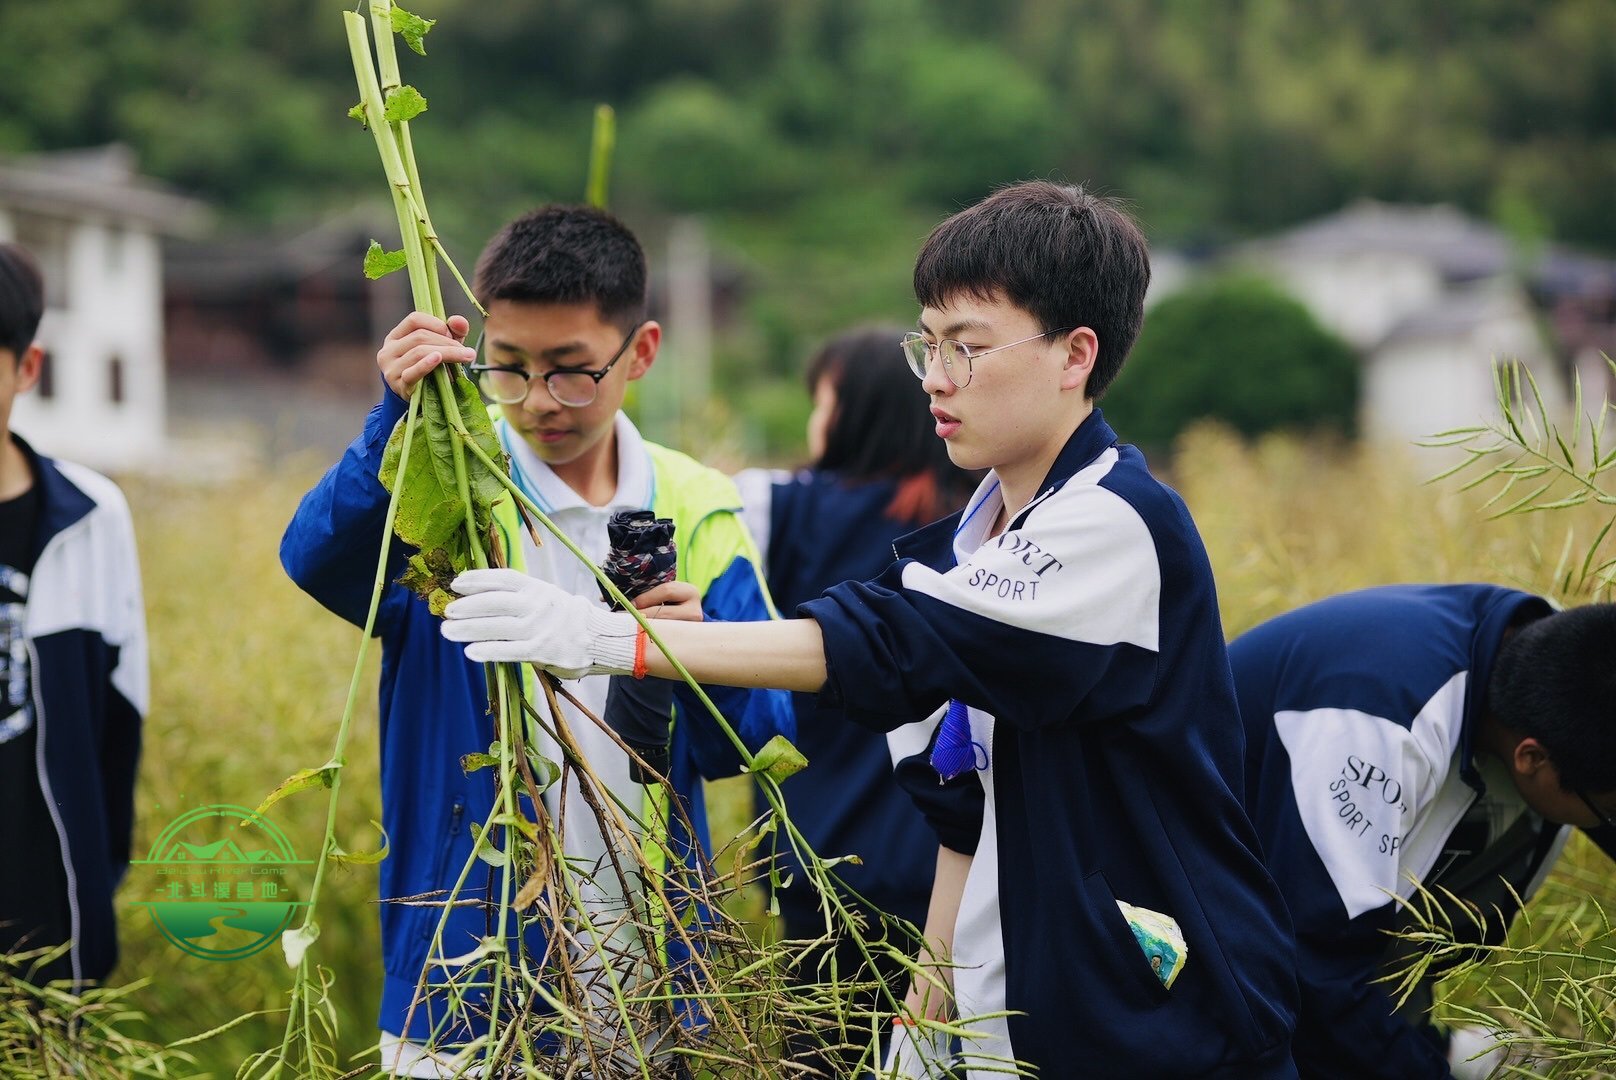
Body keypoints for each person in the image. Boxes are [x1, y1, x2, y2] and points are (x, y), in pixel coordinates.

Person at [439, 180, 1301, 1078]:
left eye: (966, 348)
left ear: (1074, 354)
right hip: (1020, 1019)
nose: (933, 377)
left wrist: (616, 642)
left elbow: (886, 640)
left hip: (1157, 1021)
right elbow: (963, 810)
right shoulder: (980, 532)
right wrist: (925, 1018)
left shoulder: (1112, 522)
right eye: (927, 344)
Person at [279, 205, 793, 1073]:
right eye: (508, 370)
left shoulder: (699, 501)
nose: (538, 402)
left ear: (642, 352)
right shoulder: (450, 485)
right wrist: (393, 420)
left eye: (571, 372)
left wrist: (694, 655)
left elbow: (756, 734)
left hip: (643, 984)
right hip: (463, 981)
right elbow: (315, 559)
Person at [1228, 585, 1616, 1079]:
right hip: (1184, 902)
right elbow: (1319, 972)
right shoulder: (1378, 726)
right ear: (1532, 757)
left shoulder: (1571, 660)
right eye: (1608, 811)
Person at [733, 326, 978, 1072]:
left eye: (821, 399)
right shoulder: (978, 521)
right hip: (958, 871)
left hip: (822, 862)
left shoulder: (785, 508)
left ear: (848, 411)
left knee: (829, 1053)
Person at [0, 243, 147, 989]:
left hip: (53, 933)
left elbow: (123, 716)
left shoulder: (92, 517)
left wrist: (96, 876)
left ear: (27, 369)